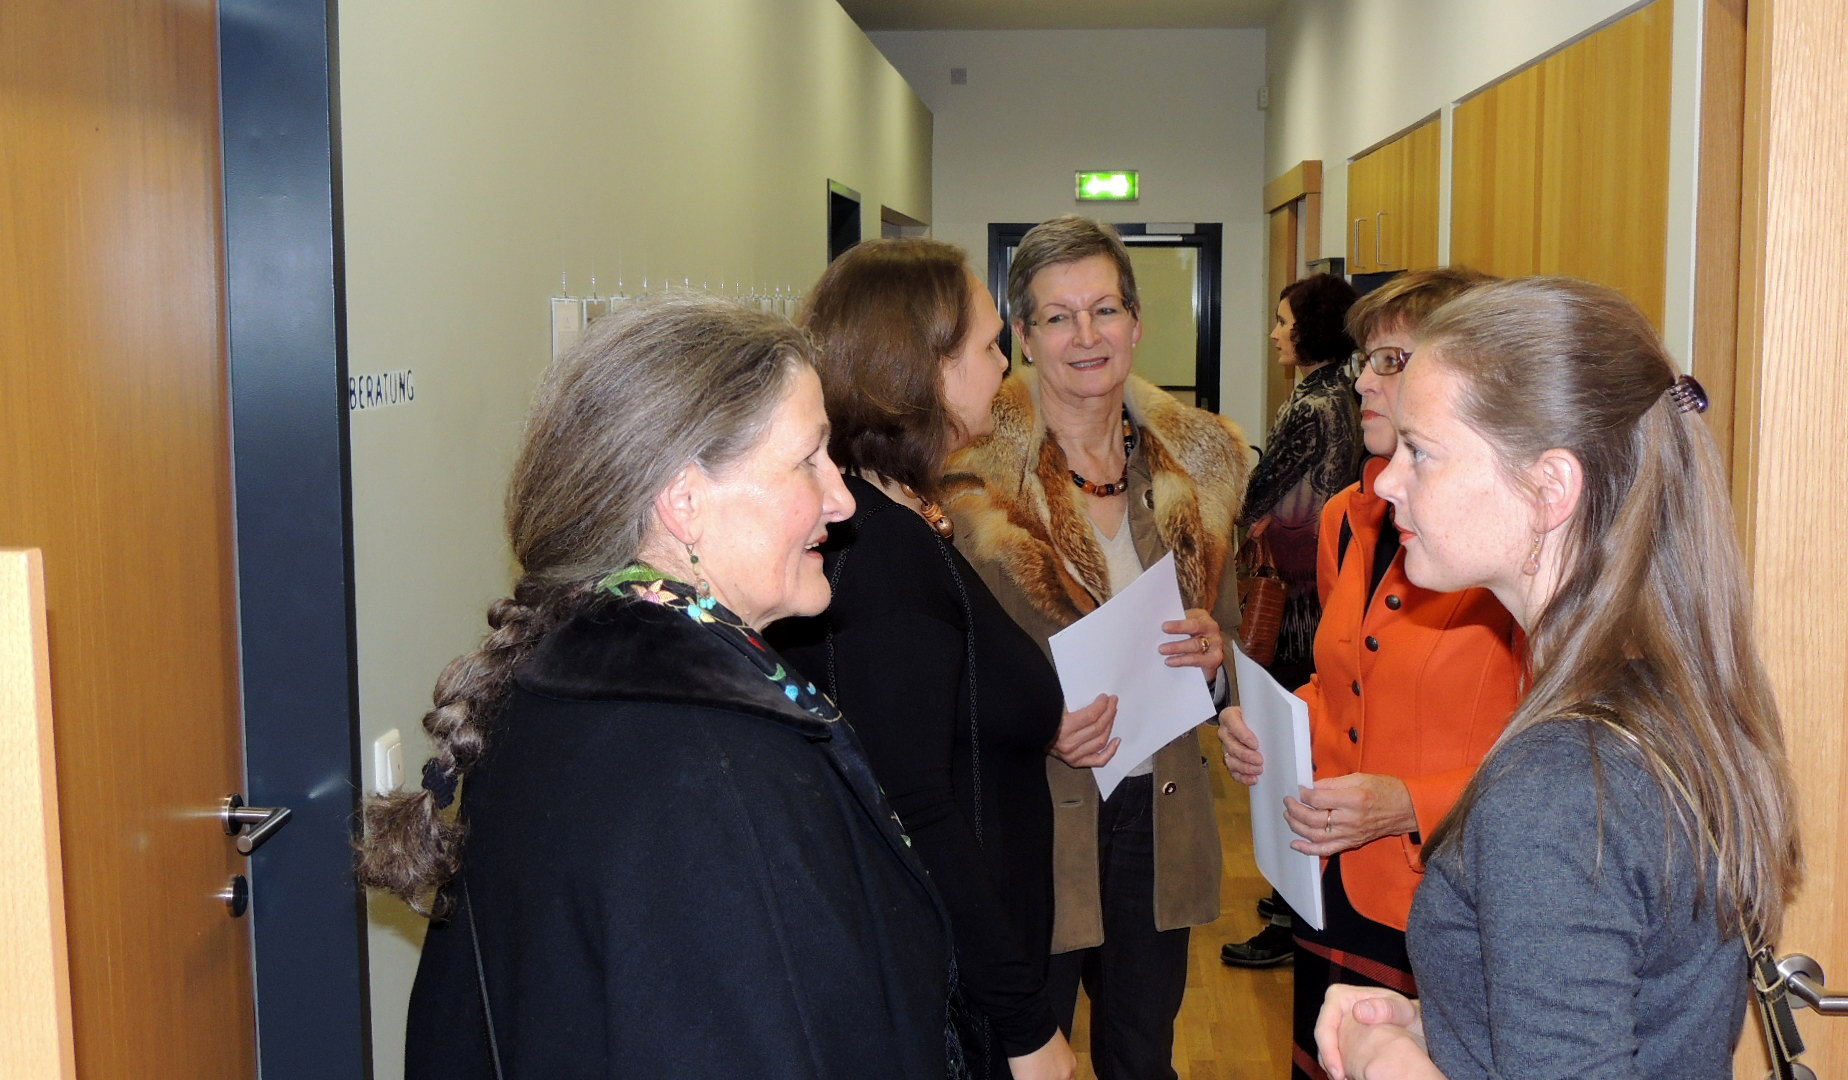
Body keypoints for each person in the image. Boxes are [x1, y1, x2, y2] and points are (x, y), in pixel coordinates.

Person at [357, 296, 957, 1078]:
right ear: (684, 501)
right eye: (809, 459)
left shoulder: (563, 680)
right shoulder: (711, 766)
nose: (842, 500)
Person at [1313, 277, 1801, 1080]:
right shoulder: (1660, 699)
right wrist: (1443, 1022)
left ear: (1549, 489)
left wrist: (1383, 1059)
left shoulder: (1563, 785)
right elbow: (1631, 1014)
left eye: (1421, 452)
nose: (1390, 480)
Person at [943, 215, 1247, 1080]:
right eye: (1058, 317)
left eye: (1105, 310)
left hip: (1161, 806)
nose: (1086, 335)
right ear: (1024, 336)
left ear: (1137, 322)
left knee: (1143, 1053)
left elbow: (1226, 641)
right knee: (1026, 1055)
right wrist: (1037, 725)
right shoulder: (966, 481)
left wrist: (1216, 661)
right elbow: (942, 675)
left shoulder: (1200, 469)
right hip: (1031, 818)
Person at [771, 238, 1079, 1080]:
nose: (1005, 364)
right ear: (926, 370)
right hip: (961, 1003)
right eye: (988, 345)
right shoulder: (882, 551)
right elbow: (914, 806)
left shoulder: (894, 515)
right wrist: (1025, 1026)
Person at [1219, 269, 1525, 1076]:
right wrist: (1275, 730)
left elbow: (1556, 760)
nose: (1362, 382)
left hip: (1447, 899)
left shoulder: (1512, 550)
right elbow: (1342, 682)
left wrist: (1409, 803)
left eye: (1392, 360)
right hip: (1328, 880)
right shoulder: (1347, 519)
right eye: (1366, 360)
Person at [1238, 273, 1363, 691]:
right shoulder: (1346, 392)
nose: (1274, 335)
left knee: (1283, 686)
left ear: (1311, 328)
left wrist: (1245, 508)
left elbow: (1257, 495)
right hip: (1330, 560)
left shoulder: (1310, 404)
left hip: (1296, 582)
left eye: (1282, 323)